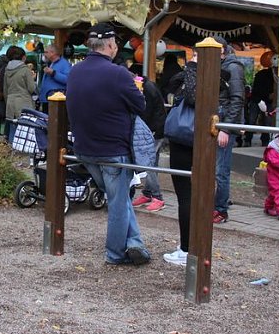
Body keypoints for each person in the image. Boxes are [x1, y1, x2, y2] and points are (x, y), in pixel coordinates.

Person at [66, 22, 150, 266]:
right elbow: (140, 104)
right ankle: (115, 254)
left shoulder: (75, 71)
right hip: (113, 149)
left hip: (84, 149)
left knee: (120, 198)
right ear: (111, 45)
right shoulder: (118, 73)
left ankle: (135, 242)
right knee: (117, 202)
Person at [162, 49, 198, 267]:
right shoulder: (195, 75)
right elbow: (172, 84)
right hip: (190, 139)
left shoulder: (215, 76)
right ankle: (189, 245)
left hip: (187, 139)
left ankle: (187, 249)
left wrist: (194, 67)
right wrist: (189, 69)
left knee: (186, 194)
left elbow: (192, 96)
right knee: (188, 194)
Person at [212, 36, 246, 224]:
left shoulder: (232, 68)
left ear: (223, 51)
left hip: (224, 124)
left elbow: (237, 99)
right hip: (217, 122)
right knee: (215, 168)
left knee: (221, 170)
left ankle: (221, 210)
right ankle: (216, 205)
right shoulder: (221, 66)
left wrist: (226, 128)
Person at [128, 63, 168, 212]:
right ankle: (148, 192)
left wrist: (148, 130)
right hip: (155, 129)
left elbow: (147, 111)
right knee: (153, 162)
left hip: (153, 130)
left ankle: (158, 196)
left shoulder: (146, 89)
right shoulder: (147, 85)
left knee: (148, 163)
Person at [3, 46, 37, 144]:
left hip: (10, 101)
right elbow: (31, 88)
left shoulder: (7, 70)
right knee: (25, 127)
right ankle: (22, 149)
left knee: (12, 125)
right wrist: (33, 80)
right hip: (23, 101)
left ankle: (11, 146)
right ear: (23, 57)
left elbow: (5, 89)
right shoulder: (25, 69)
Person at [243, 51, 276, 148]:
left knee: (254, 121)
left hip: (260, 99)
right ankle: (261, 140)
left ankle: (249, 140)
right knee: (262, 122)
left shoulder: (261, 74)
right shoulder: (268, 76)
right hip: (260, 99)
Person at [37, 44, 71, 113]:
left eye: (46, 52)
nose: (44, 54)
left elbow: (68, 80)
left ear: (53, 53)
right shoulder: (50, 63)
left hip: (55, 102)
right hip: (46, 100)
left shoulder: (64, 64)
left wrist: (54, 73)